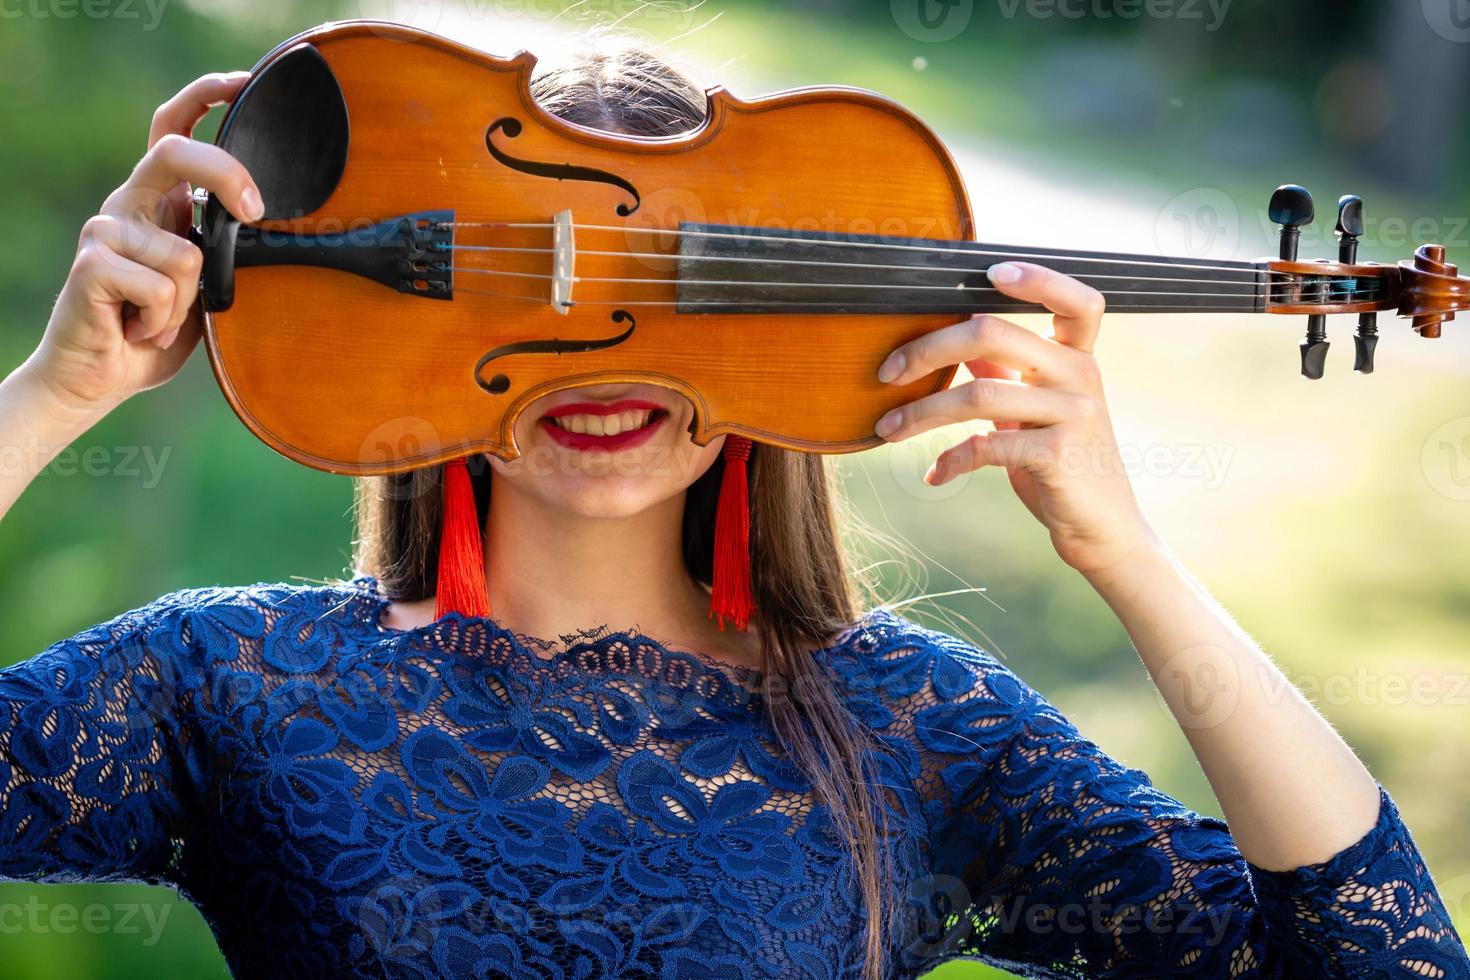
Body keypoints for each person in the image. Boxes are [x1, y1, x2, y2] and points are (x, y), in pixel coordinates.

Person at [0, 41, 1465, 980]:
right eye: (541, 266)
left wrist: (1121, 553)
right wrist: (54, 395)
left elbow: (1377, 962)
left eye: (687, 283)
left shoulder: (914, 723)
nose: (612, 340)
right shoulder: (228, 683)